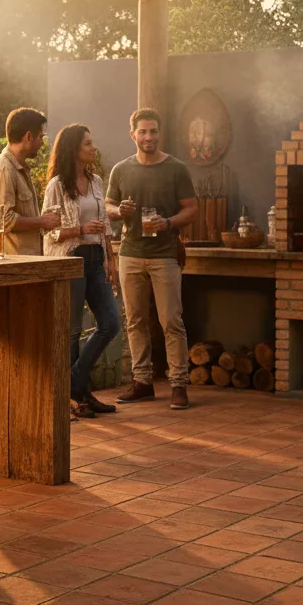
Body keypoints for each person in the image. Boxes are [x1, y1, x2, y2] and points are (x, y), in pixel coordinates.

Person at [105, 108, 198, 410]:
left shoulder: (176, 169)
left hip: (164, 256)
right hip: (130, 254)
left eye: (153, 131)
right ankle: (142, 381)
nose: (148, 137)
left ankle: (178, 385)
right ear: (132, 134)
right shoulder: (121, 169)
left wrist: (168, 223)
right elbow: (107, 205)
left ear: (160, 134)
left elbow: (191, 209)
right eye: (143, 131)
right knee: (134, 321)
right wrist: (119, 211)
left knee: (171, 320)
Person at [42, 124, 120, 420]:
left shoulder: (97, 180)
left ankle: (72, 382)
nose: (92, 147)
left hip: (96, 257)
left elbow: (107, 227)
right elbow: (49, 232)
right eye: (88, 143)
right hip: (71, 257)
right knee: (73, 331)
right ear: (74, 148)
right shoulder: (57, 185)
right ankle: (81, 397)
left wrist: (111, 261)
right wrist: (80, 229)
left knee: (110, 323)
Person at [0, 108, 61, 256]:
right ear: (29, 136)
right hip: (8, 268)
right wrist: (42, 222)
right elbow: (2, 220)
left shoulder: (19, 168)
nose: (42, 143)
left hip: (24, 265)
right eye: (41, 137)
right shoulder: (3, 170)